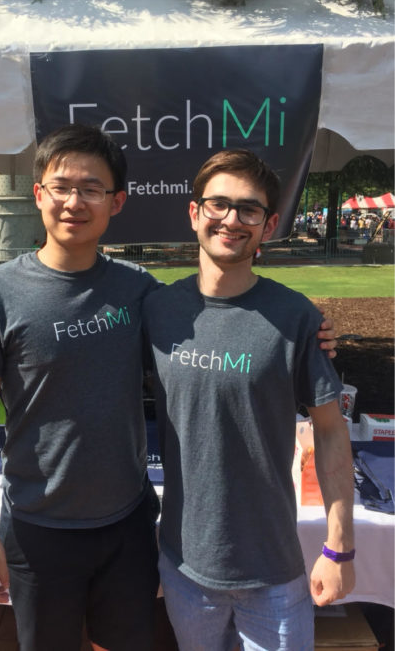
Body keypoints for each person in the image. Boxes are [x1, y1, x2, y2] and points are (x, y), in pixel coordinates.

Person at [0, 126, 337, 651]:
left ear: (117, 202)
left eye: (92, 189)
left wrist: (312, 329)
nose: (75, 202)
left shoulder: (140, 291)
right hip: (39, 527)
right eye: (62, 187)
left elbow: (221, 316)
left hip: (128, 524)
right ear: (38, 193)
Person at [142, 149, 355, 651]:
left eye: (249, 209)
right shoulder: (157, 310)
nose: (231, 219)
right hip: (183, 566)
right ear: (194, 212)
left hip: (272, 571)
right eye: (218, 204)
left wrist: (340, 547)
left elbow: (330, 432)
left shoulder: (297, 318)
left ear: (269, 224)